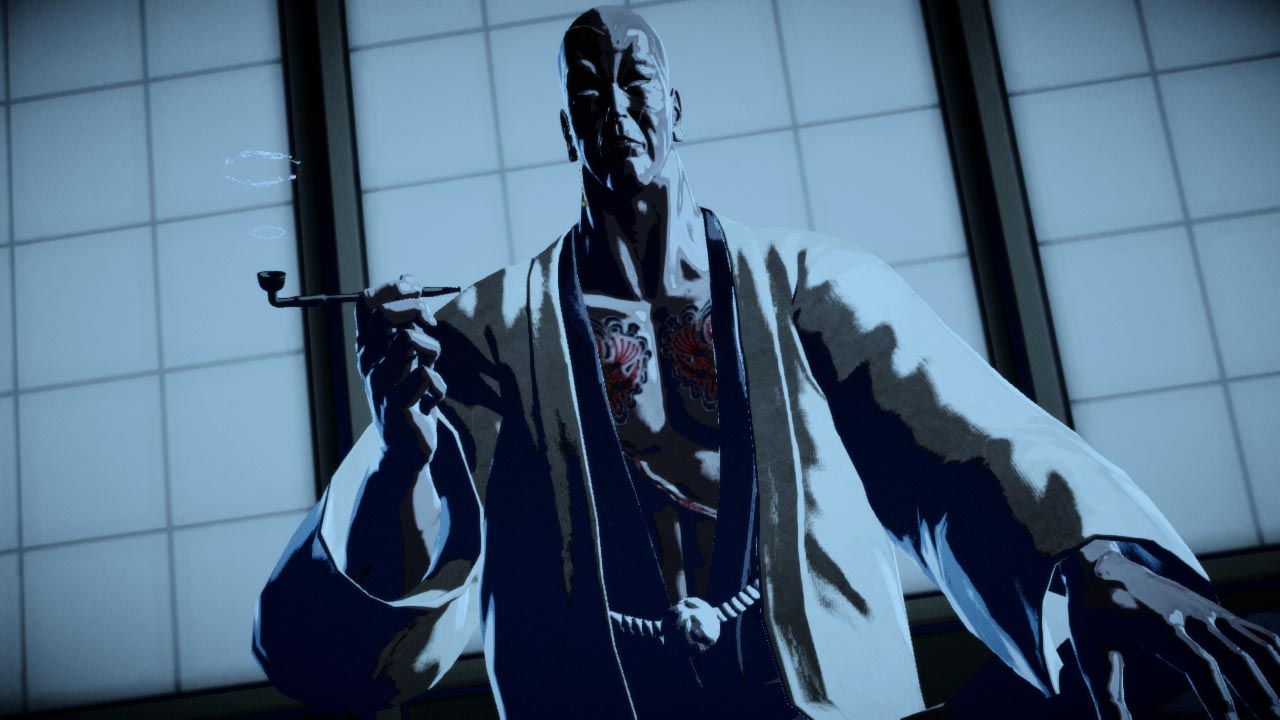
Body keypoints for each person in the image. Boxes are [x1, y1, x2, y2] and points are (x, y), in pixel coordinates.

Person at [254, 6, 1280, 718]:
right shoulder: (484, 333)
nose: (615, 106)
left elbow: (973, 455)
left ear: (676, 107)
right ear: (566, 130)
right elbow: (335, 658)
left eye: (634, 80)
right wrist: (398, 454)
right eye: (587, 90)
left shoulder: (814, 285)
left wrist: (1100, 566)